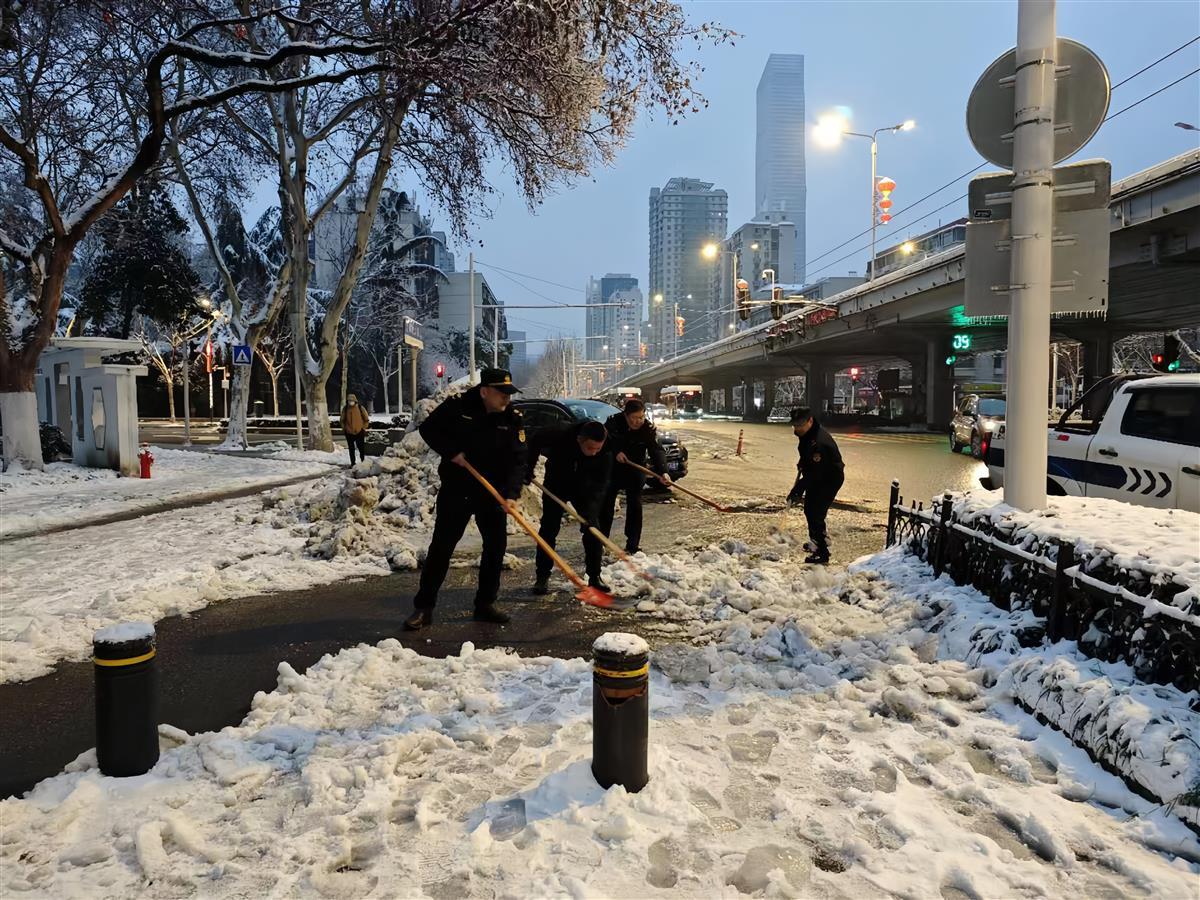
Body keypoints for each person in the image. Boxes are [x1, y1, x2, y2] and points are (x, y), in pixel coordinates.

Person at [403, 368, 527, 631]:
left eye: (509, 393)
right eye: (501, 393)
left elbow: (518, 459)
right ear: (484, 392)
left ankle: (485, 604)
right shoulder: (458, 407)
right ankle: (424, 608)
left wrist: (512, 494)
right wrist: (452, 453)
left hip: (491, 492)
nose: (507, 399)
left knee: (495, 548)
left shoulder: (512, 418)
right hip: (458, 490)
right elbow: (429, 430)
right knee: (442, 548)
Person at [526, 419, 613, 594]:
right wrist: (528, 468)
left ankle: (594, 576)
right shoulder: (560, 433)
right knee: (549, 528)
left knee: (593, 529)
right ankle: (542, 576)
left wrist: (591, 512)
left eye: (598, 449)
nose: (594, 453)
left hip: (585, 486)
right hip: (556, 481)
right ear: (579, 439)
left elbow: (601, 485)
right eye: (590, 448)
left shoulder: (608, 448)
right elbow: (535, 438)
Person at [599, 398, 671, 555]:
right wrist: (616, 452)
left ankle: (633, 545)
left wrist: (663, 472)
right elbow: (604, 443)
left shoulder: (647, 428)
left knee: (635, 506)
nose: (638, 421)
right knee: (606, 505)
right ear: (626, 415)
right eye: (634, 418)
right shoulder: (613, 423)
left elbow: (656, 449)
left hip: (635, 467)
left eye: (641, 417)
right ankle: (601, 541)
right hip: (613, 468)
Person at [786, 407, 845, 564]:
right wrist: (803, 462)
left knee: (814, 512)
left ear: (810, 420)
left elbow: (814, 474)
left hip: (829, 478)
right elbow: (808, 460)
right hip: (818, 474)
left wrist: (797, 490)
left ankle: (822, 552)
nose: (797, 428)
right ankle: (819, 539)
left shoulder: (818, 443)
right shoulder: (808, 433)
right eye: (795, 425)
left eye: (800, 424)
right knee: (811, 509)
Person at [341, 393, 371, 464]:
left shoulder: (360, 408)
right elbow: (342, 420)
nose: (351, 402)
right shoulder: (345, 409)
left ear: (355, 401)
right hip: (349, 432)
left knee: (361, 448)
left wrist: (363, 428)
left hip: (359, 431)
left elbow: (366, 419)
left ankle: (363, 461)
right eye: (349, 400)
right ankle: (353, 463)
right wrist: (344, 428)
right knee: (351, 449)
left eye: (352, 400)